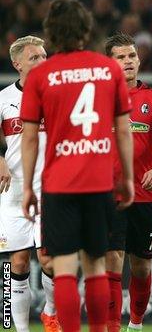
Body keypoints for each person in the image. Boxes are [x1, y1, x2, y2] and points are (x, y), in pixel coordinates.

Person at [20, 0, 134, 332]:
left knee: (66, 268)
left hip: (58, 185)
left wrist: (28, 187)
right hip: (99, 181)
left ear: (50, 32)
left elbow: (29, 138)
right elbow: (123, 129)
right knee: (96, 266)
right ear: (86, 29)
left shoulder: (41, 75)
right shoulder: (108, 69)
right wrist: (126, 178)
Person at [104, 33, 152, 332]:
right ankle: (111, 327)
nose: (128, 62)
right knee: (112, 260)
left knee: (141, 265)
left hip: (145, 197)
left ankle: (135, 326)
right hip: (107, 195)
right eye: (121, 57)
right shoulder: (97, 99)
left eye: (131, 56)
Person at [0, 35, 60, 332]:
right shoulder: (3, 98)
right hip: (13, 192)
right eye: (34, 57)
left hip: (50, 189)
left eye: (43, 56)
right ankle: (21, 329)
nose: (41, 61)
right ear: (17, 64)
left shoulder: (59, 96)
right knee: (19, 263)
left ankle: (51, 312)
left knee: (49, 260)